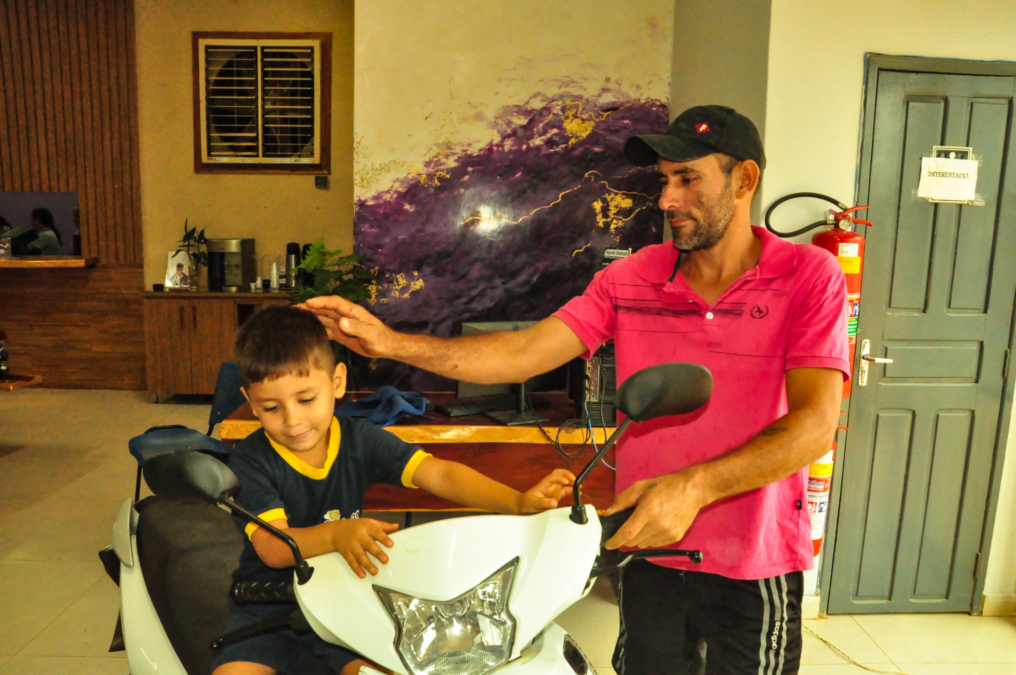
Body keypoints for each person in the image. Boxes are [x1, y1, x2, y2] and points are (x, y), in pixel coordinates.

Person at [302, 105, 849, 674]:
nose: (667, 199)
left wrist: (695, 487)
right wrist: (391, 343)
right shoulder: (630, 277)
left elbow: (815, 425)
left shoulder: (809, 276)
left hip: (754, 561)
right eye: (664, 180)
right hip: (648, 548)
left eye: (688, 179)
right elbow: (522, 353)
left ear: (744, 180)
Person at [212, 306, 575, 675]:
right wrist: (337, 534)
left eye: (306, 400)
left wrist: (516, 500)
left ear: (337, 382)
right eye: (271, 407)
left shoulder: (359, 439)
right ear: (250, 401)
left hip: (342, 602)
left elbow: (441, 475)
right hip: (267, 609)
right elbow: (274, 548)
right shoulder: (251, 459)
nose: (293, 420)